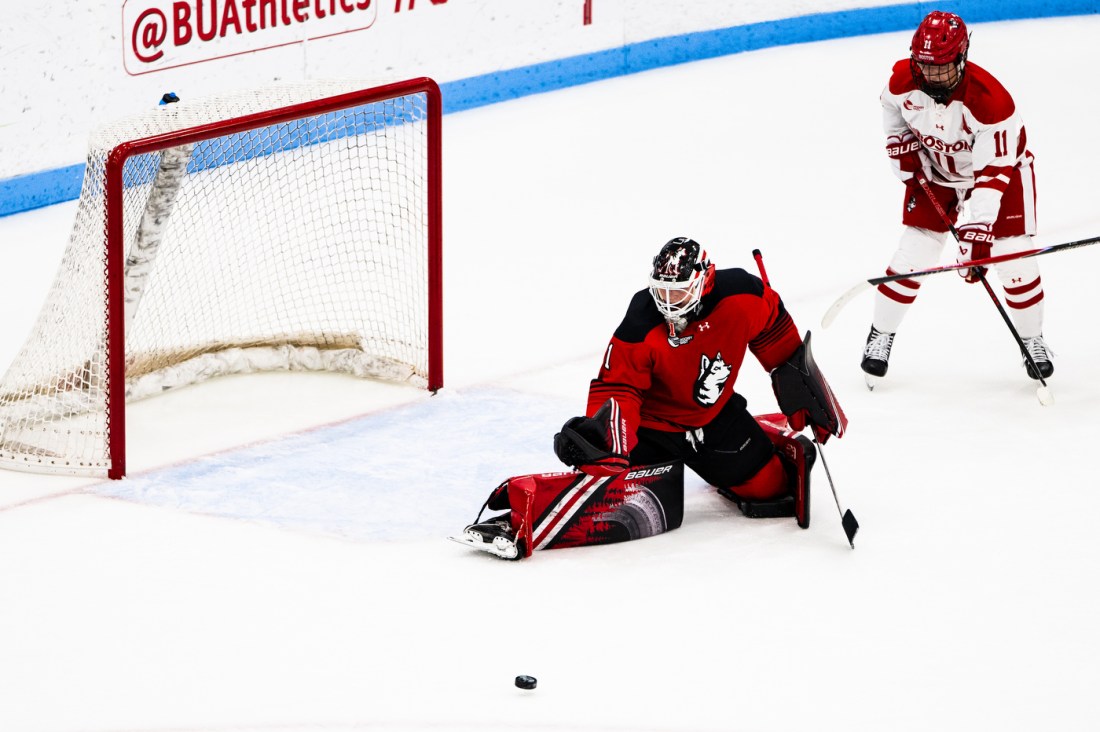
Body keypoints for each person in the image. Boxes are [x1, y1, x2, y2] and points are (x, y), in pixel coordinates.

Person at [455, 237, 847, 560]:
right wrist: (608, 440)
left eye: (677, 292)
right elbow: (617, 388)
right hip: (652, 428)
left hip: (715, 417)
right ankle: (518, 517)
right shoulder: (641, 320)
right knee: (609, 488)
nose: (667, 302)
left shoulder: (743, 294)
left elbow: (774, 331)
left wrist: (802, 387)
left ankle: (766, 439)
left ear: (704, 281)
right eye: (661, 291)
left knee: (772, 490)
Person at [864, 10, 1051, 386]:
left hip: (1002, 174)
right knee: (912, 255)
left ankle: (1033, 340)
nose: (931, 75)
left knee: (1015, 259)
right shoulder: (903, 80)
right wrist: (899, 144)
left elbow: (993, 174)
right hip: (938, 173)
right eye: (924, 66)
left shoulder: (992, 103)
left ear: (962, 57)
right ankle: (880, 334)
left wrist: (978, 233)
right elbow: (891, 107)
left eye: (942, 67)